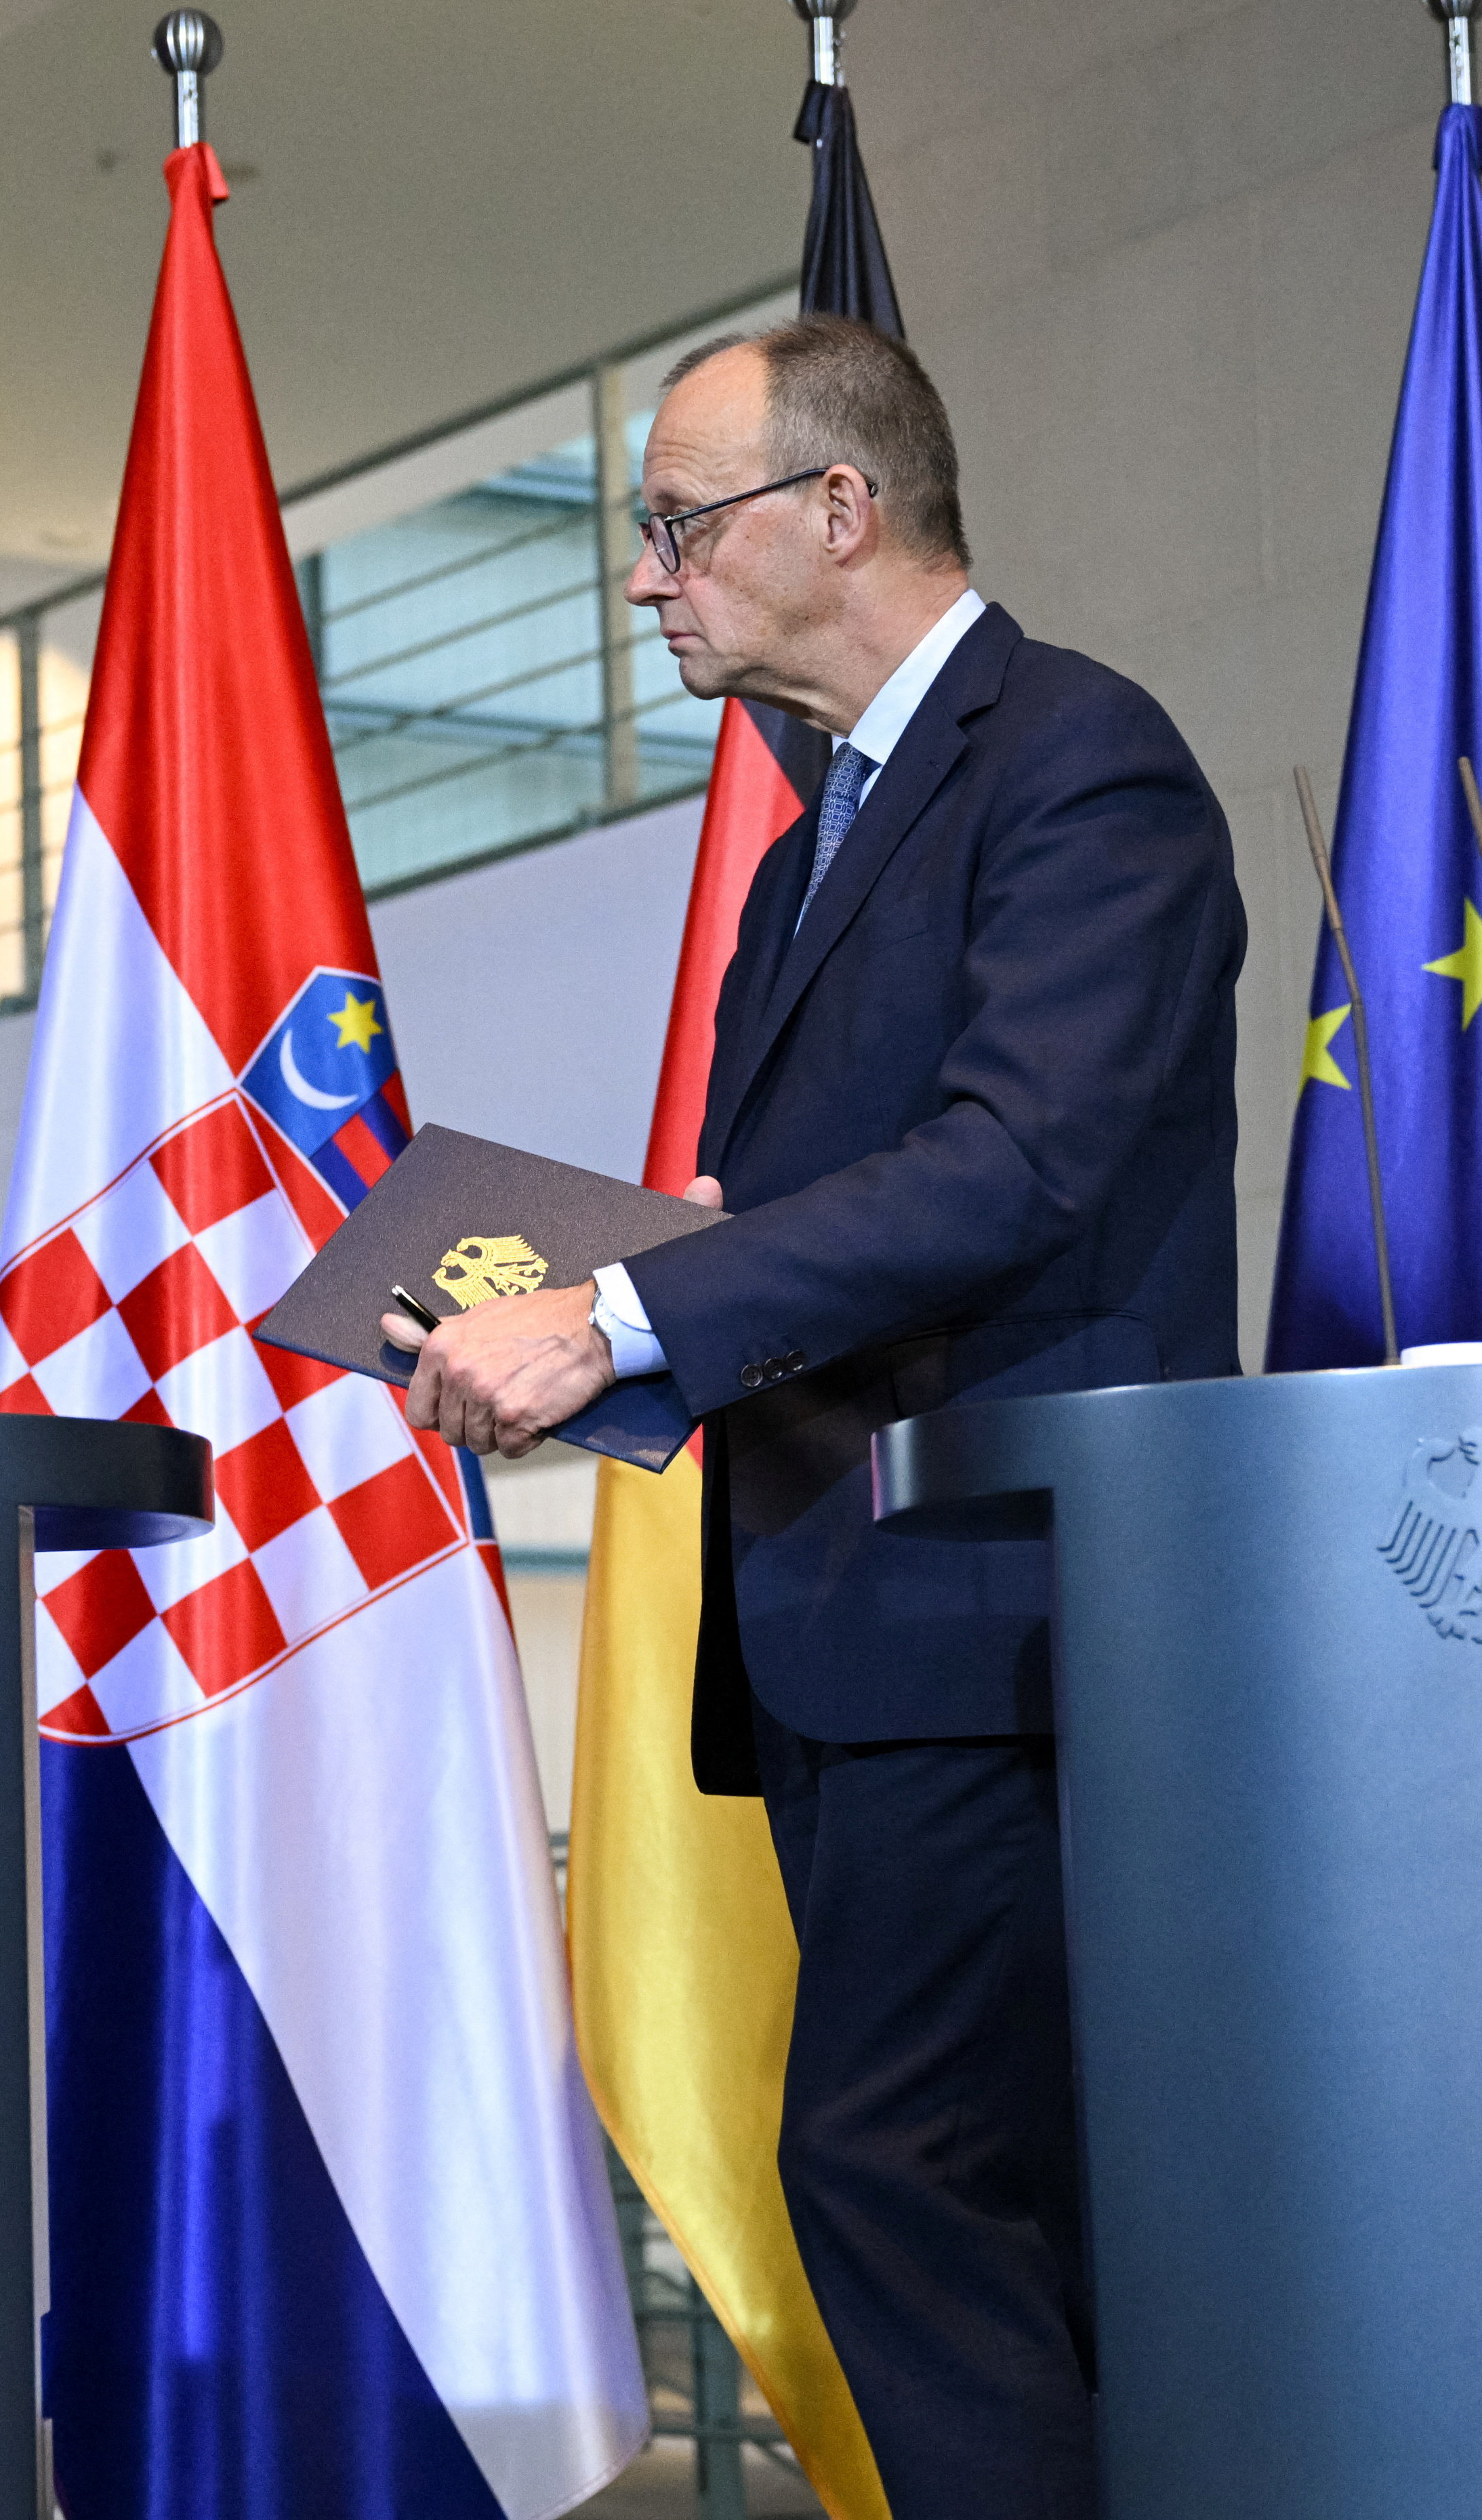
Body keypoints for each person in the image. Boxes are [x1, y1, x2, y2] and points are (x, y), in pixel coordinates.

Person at [389, 317, 1243, 2515]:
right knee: (978, 2194)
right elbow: (857, 1203)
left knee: (898, 2164)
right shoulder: (803, 849)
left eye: (676, 526)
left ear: (838, 511)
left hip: (1004, 1620)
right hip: (857, 1633)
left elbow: (1018, 1166)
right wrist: (653, 1270)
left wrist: (625, 1308)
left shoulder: (1080, 760)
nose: (645, 580)